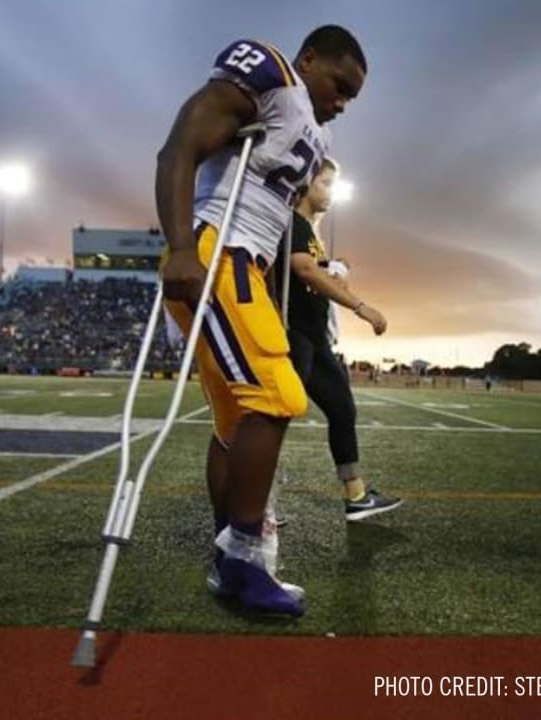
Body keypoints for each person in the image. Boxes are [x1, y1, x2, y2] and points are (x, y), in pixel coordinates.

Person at [155, 26, 367, 616]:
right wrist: (178, 248)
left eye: (353, 97)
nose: (342, 103)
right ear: (310, 59)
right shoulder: (272, 74)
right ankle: (244, 560)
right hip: (216, 252)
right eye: (339, 84)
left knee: (234, 420)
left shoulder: (310, 130)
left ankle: (229, 554)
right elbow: (178, 147)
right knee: (278, 396)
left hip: (242, 264)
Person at [277, 158, 403, 521]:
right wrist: (361, 307)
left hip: (315, 340)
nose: (330, 191)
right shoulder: (292, 222)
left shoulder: (310, 232)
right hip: (291, 334)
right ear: (305, 184)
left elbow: (312, 269)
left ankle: (356, 495)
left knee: (342, 409)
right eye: (325, 183)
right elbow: (302, 269)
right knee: (276, 417)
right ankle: (259, 504)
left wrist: (333, 268)